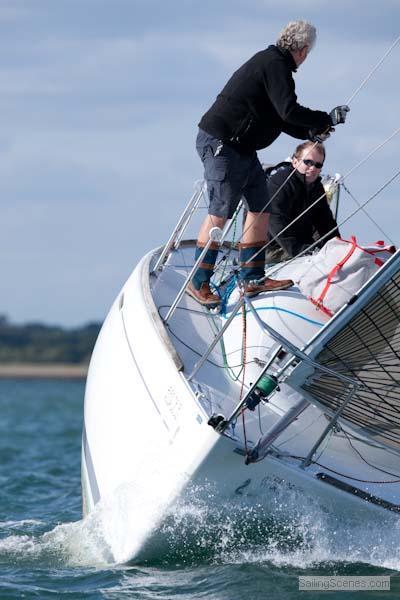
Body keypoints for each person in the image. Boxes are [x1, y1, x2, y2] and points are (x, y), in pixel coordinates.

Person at [187, 19, 349, 307]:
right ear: (303, 50)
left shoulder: (276, 66)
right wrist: (323, 119)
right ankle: (198, 283)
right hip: (222, 144)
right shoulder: (274, 65)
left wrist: (313, 131)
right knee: (221, 210)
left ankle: (253, 279)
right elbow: (288, 110)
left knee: (261, 206)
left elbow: (279, 117)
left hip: (243, 149)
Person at [266, 141, 339, 260]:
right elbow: (275, 220)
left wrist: (338, 247)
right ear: (295, 162)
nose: (313, 168)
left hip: (304, 246)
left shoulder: (316, 188)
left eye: (318, 165)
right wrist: (300, 251)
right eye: (308, 162)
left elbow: (326, 223)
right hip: (273, 249)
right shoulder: (280, 182)